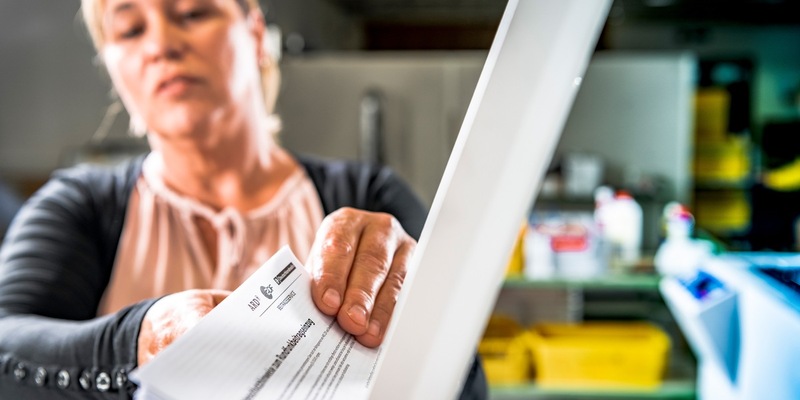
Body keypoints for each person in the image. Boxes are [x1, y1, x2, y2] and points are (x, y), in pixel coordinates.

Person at [0, 0, 487, 398]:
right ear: (113, 69)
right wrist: (136, 342)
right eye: (130, 29)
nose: (162, 44)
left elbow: (466, 386)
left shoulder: (372, 196)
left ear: (255, 34)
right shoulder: (79, 206)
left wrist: (419, 313)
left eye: (192, 13)